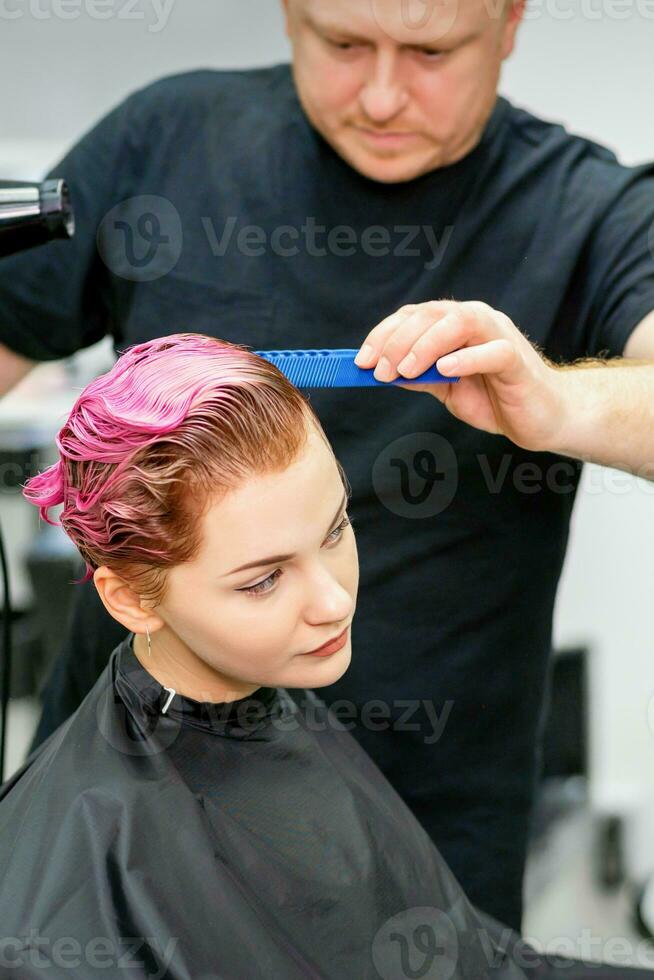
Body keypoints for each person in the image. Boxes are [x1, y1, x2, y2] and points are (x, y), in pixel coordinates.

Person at [1, 0, 653, 932]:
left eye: (432, 51)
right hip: (122, 807)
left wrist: (560, 400)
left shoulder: (588, 211)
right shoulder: (164, 142)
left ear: (509, 22)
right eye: (344, 43)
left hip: (423, 833)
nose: (382, 94)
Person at [3, 332, 653, 980]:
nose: (334, 599)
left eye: (337, 529)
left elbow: (480, 964)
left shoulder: (264, 703)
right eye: (263, 580)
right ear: (132, 599)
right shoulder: (66, 907)